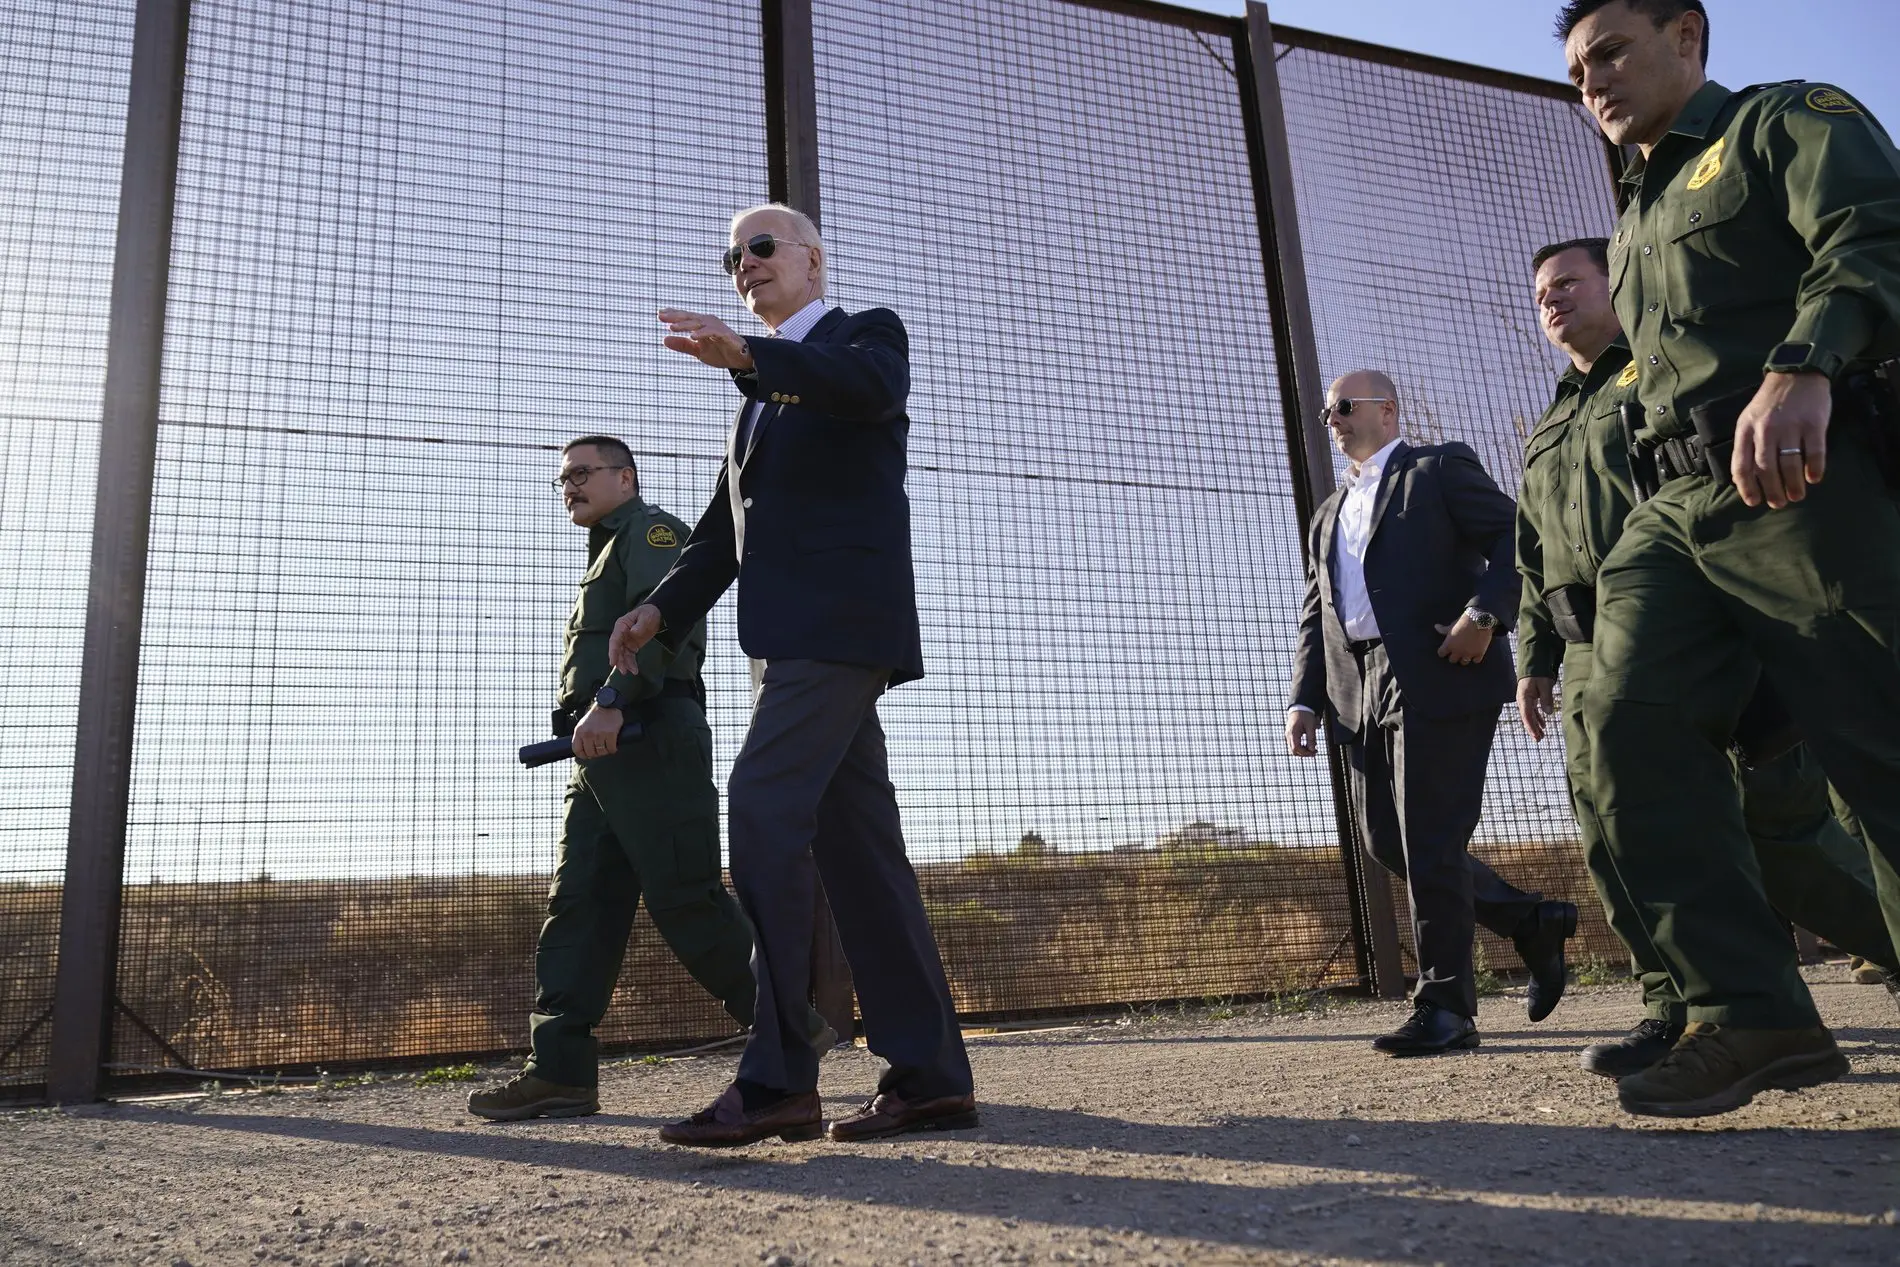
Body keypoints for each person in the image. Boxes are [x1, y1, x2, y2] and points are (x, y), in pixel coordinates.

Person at [1558, 0, 1900, 1116]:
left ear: (1686, 38)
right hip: (1677, 505)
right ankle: (1748, 1009)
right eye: (1575, 70)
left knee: (1876, 739)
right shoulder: (1634, 208)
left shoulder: (1776, 124)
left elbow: (1873, 228)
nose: (1593, 81)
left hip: (1802, 474)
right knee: (1622, 715)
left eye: (1610, 50)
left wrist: (1806, 361)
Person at [607, 203, 976, 1147]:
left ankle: (778, 1078)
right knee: (862, 855)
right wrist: (659, 610)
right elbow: (722, 535)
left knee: (762, 808)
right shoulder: (758, 411)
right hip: (792, 644)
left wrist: (747, 359)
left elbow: (863, 388)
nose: (745, 265)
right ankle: (930, 1075)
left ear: (813, 258)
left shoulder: (862, 339)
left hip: (841, 631)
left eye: (761, 247)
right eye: (733, 257)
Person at [1514, 237, 1899, 1079]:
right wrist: (1535, 655)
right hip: (1590, 646)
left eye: (1568, 282)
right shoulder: (1546, 424)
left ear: (1618, 285)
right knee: (1616, 832)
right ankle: (1679, 1004)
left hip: (1700, 623)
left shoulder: (1655, 383)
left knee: (1782, 832)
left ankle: (1885, 939)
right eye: (1540, 293)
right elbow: (1531, 555)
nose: (1551, 300)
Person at [468, 437, 818, 1122]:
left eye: (582, 472)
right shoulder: (603, 547)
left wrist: (613, 701)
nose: (569, 485)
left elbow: (666, 620)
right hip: (600, 747)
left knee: (686, 897)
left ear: (624, 477)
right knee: (580, 903)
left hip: (647, 731)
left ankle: (792, 1030)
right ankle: (560, 1069)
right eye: (561, 478)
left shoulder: (652, 531)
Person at [1288, 371, 1578, 1056]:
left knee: (1429, 837)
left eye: (1345, 405)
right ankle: (1532, 919)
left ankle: (1447, 1006)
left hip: (1443, 667)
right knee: (1387, 840)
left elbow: (1517, 533)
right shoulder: (1327, 513)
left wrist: (1484, 614)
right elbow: (1315, 610)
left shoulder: (1438, 467)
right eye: (1327, 408)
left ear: (1386, 411)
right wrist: (1305, 695)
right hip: (1355, 684)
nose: (1332, 417)